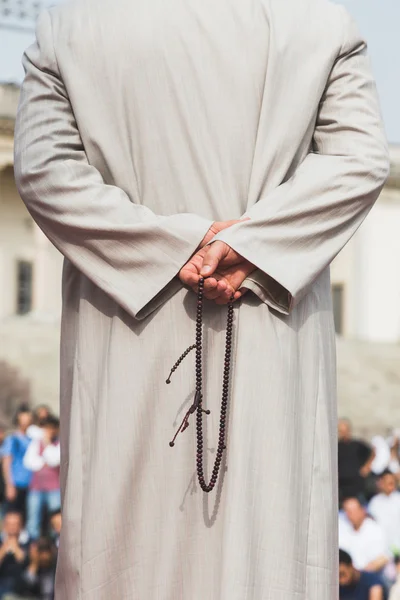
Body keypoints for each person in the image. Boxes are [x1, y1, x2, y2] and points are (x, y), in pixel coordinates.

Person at [14, 0, 389, 597]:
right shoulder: (319, 19)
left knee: (122, 553)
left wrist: (174, 248)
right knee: (268, 552)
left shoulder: (72, 21)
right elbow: (359, 160)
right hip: (270, 321)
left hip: (127, 329)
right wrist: (253, 245)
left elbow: (43, 171)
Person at [23, 416, 61, 542]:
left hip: (54, 487)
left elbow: (55, 460)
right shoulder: (36, 443)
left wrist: (47, 444)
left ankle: (54, 542)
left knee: (55, 517)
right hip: (36, 487)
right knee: (33, 517)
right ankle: (33, 542)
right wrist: (44, 462)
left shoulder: (58, 444)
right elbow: (29, 462)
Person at [339, 497, 390, 574]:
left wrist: (361, 575)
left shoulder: (375, 529)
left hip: (371, 576)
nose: (348, 515)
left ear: (362, 510)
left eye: (351, 511)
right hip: (348, 577)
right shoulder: (342, 528)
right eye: (346, 511)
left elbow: (383, 558)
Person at [1, 405, 33, 521]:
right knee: (13, 515)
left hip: (31, 484)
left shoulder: (33, 438)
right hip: (16, 482)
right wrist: (9, 485)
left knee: (27, 516)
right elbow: (6, 462)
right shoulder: (12, 439)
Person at [338, 419, 375, 503]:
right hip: (342, 487)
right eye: (340, 431)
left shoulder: (357, 444)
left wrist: (367, 467)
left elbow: (372, 452)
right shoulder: (337, 446)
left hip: (357, 486)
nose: (342, 433)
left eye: (344, 430)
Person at [0, 511, 30, 598]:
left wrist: (16, 549)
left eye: (15, 524)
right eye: (9, 524)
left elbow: (29, 566)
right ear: (4, 525)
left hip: (22, 585)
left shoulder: (29, 542)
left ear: (21, 525)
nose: (12, 527)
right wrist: (3, 549)